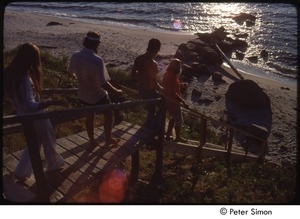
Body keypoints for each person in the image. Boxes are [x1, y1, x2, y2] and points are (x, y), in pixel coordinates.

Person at [3, 43, 66, 181]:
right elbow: (29, 105)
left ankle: (21, 172)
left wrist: (18, 107)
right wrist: (52, 102)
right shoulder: (23, 77)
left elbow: (19, 101)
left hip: (23, 115)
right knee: (48, 139)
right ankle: (53, 165)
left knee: (34, 143)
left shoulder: (10, 73)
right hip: (35, 116)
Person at [68, 31, 123, 147]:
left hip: (83, 94)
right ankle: (108, 139)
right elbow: (103, 84)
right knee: (109, 114)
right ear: (96, 44)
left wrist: (80, 78)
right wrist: (117, 91)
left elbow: (70, 73)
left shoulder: (75, 55)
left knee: (90, 116)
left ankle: (92, 141)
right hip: (97, 95)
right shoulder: (97, 60)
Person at [131, 38, 164, 129]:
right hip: (149, 92)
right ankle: (151, 126)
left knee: (152, 109)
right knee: (164, 105)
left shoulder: (139, 59)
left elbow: (133, 75)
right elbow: (154, 83)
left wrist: (142, 74)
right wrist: (162, 89)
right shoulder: (154, 64)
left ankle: (150, 125)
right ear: (157, 50)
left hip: (141, 89)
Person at [162, 58, 189, 143]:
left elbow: (170, 86)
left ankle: (168, 136)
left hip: (168, 100)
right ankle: (177, 137)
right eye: (179, 66)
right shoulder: (173, 77)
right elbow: (174, 93)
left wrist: (181, 85)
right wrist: (183, 102)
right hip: (173, 101)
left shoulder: (167, 74)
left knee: (172, 118)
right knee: (179, 120)